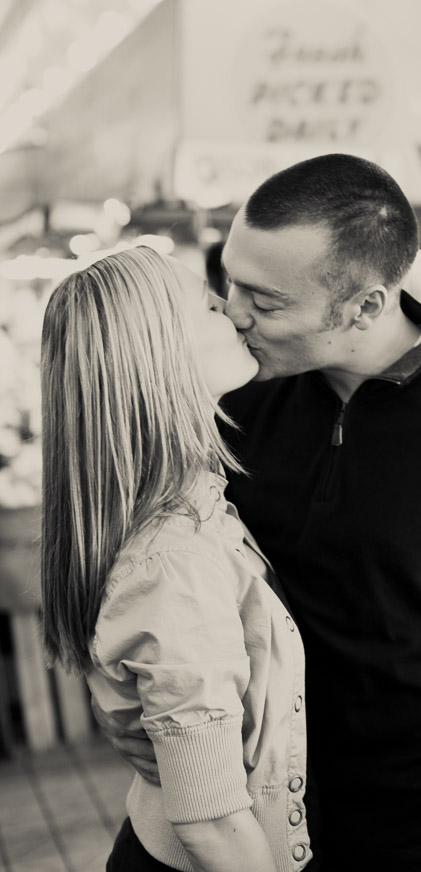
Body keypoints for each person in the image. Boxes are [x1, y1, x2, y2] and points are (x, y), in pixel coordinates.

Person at [94, 155, 421, 872]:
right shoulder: (229, 401)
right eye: (228, 282)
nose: (233, 312)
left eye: (264, 301)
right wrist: (130, 703)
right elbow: (156, 583)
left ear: (364, 305)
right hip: (242, 825)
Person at [40, 245, 312, 872]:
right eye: (209, 304)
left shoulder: (185, 502)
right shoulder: (175, 556)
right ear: (161, 353)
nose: (236, 312)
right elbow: (211, 822)